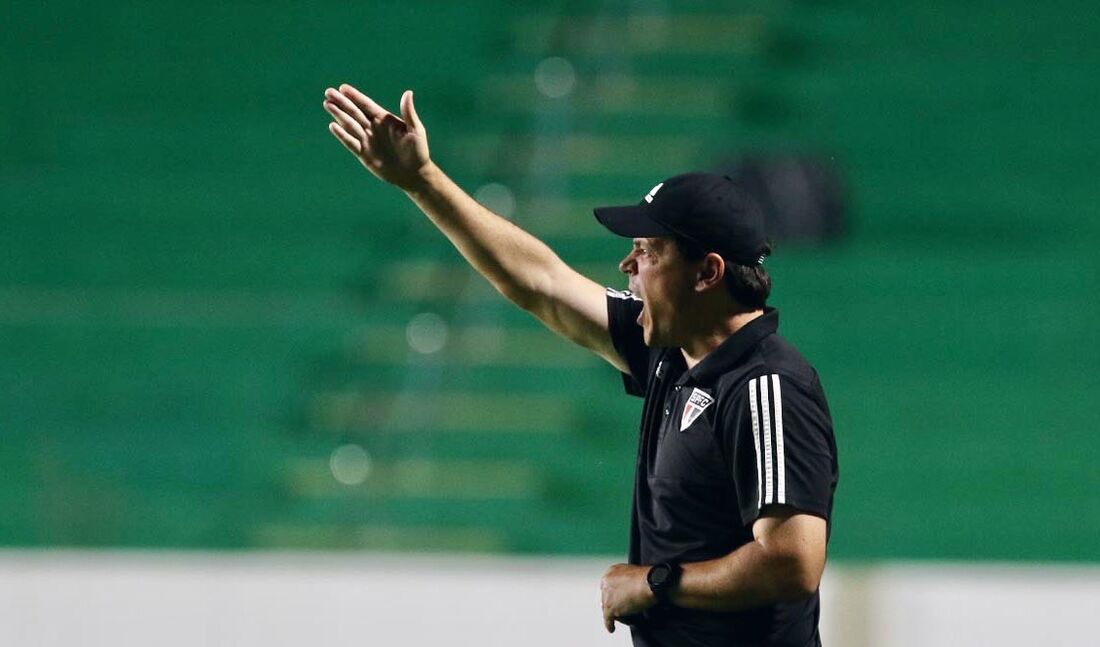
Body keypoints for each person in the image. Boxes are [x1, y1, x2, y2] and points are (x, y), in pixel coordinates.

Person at [322, 84, 839, 647]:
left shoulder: (767, 386)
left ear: (707, 273)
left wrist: (656, 584)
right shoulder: (675, 354)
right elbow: (541, 283)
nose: (627, 265)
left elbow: (792, 562)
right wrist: (422, 181)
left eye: (647, 251)